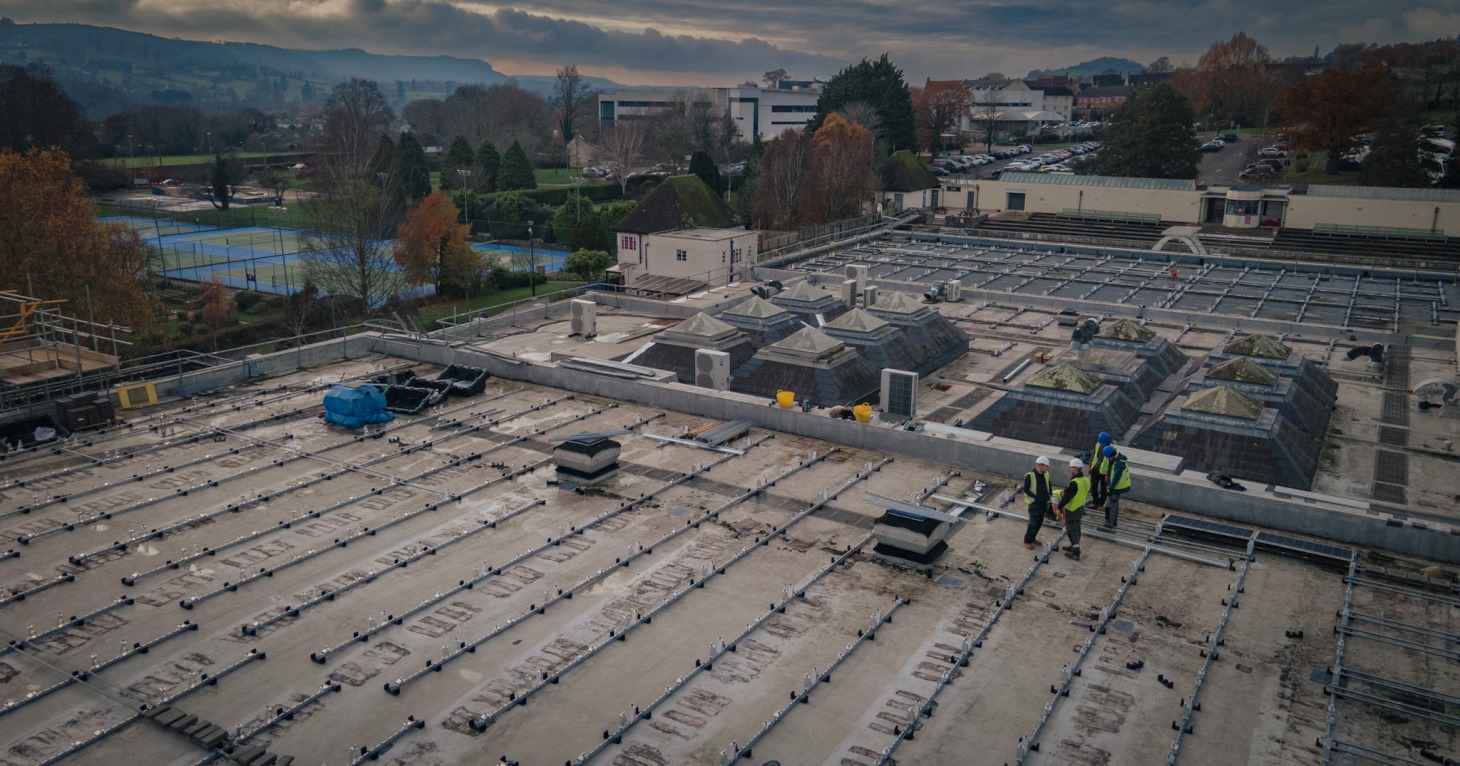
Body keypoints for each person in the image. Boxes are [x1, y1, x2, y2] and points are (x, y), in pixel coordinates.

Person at [1053, 457, 1092, 561]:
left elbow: (1066, 497)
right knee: (1077, 528)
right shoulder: (1086, 480)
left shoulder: (1074, 483)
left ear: (1075, 468)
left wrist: (1059, 508)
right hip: (1080, 508)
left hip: (1072, 509)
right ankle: (1073, 546)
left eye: (1071, 468)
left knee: (1072, 531)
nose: (1070, 470)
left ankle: (1075, 553)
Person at [1022, 456, 1054, 550]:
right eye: (1046, 466)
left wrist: (1050, 494)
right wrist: (1035, 497)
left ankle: (1033, 538)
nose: (1047, 468)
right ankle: (1027, 541)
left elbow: (1049, 484)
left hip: (1043, 503)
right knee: (1033, 523)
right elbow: (1026, 489)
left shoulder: (1046, 474)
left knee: (1039, 522)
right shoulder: (1030, 476)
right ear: (1040, 465)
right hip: (1034, 504)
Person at [1104, 446, 1131, 529]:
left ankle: (1109, 523)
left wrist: (1110, 488)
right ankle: (1114, 521)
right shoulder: (1118, 459)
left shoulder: (1118, 463)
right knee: (1115, 504)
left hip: (1116, 488)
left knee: (1109, 506)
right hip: (1118, 487)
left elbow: (1116, 478)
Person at [1089, 432, 1114, 512]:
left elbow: (1111, 463)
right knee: (1093, 487)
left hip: (1104, 473)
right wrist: (1090, 466)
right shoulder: (1098, 444)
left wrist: (1107, 474)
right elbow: (1094, 455)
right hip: (1095, 469)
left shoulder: (1111, 448)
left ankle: (1100, 504)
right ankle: (1095, 501)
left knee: (1103, 490)